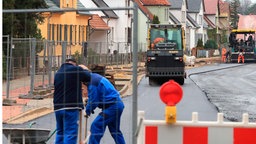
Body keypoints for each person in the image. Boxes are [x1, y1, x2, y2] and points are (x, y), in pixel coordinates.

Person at [80, 65, 126, 144]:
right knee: (115, 131)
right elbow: (97, 96)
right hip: (117, 104)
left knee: (96, 126)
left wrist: (87, 111)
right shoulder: (94, 78)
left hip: (112, 107)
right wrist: (89, 101)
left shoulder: (92, 82)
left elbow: (94, 101)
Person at [53, 58, 91, 144]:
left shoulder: (58, 73)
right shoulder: (75, 69)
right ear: (74, 64)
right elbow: (88, 77)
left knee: (60, 133)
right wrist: (83, 69)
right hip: (71, 107)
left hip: (58, 108)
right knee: (70, 134)